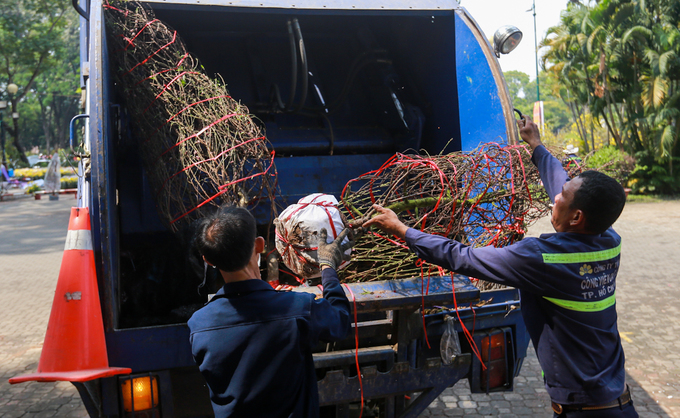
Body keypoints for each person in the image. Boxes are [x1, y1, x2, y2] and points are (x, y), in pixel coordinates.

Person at [363, 117, 637, 418]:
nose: (553, 199)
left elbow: (462, 256)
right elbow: (562, 184)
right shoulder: (609, 238)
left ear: (576, 218)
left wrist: (403, 230)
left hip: (586, 411)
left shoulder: (542, 259)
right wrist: (536, 145)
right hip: (617, 402)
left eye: (561, 198)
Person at [188, 206, 352, 418]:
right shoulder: (298, 309)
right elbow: (340, 321)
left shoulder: (198, 326)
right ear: (260, 245)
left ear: (208, 260)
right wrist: (328, 268)